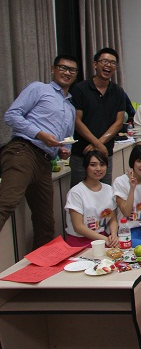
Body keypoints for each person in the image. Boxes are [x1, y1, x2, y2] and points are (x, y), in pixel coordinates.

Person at [0, 54, 77, 248]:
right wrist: (40, 134)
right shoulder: (39, 89)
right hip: (23, 152)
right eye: (63, 68)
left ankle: (41, 263)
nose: (67, 72)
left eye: (72, 70)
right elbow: (11, 115)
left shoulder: (70, 108)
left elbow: (67, 139)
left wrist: (64, 150)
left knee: (46, 222)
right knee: (6, 204)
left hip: (45, 163)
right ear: (53, 69)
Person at [70, 47, 127, 185]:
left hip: (105, 154)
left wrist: (99, 144)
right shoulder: (80, 89)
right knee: (79, 192)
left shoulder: (118, 92)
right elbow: (77, 121)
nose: (109, 65)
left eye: (112, 63)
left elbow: (119, 122)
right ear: (95, 64)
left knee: (105, 192)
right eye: (105, 61)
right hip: (82, 153)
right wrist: (97, 144)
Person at [64, 151, 119, 247]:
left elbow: (113, 219)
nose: (98, 169)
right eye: (93, 165)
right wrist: (104, 239)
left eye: (102, 165)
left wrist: (113, 235)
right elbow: (78, 226)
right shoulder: (76, 192)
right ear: (85, 167)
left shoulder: (109, 189)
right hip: (80, 242)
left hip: (103, 239)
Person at [112, 145, 141, 248]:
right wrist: (132, 188)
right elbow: (126, 212)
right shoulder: (120, 182)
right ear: (132, 161)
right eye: (139, 161)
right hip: (124, 231)